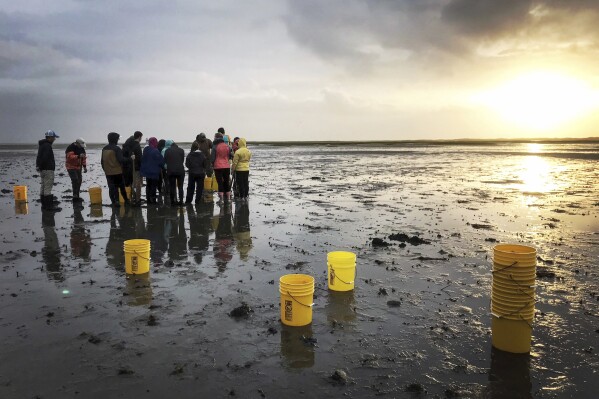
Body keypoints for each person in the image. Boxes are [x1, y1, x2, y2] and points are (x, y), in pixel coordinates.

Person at [101, 132, 129, 207]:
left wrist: (105, 170)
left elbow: (102, 161)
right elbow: (121, 159)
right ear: (115, 139)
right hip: (117, 172)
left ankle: (114, 202)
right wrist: (129, 159)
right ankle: (126, 200)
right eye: (118, 139)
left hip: (108, 172)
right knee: (121, 187)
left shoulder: (104, 148)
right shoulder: (117, 148)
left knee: (112, 188)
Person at [36, 130, 61, 212]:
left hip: (42, 169)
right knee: (47, 187)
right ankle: (49, 206)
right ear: (49, 137)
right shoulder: (47, 146)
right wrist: (43, 166)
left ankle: (44, 205)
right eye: (54, 137)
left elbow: (39, 157)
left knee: (43, 186)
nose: (54, 139)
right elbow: (45, 158)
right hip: (48, 169)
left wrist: (38, 166)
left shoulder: (42, 145)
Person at [140, 137, 165, 204]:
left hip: (147, 170)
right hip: (154, 171)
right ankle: (153, 199)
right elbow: (160, 161)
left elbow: (143, 159)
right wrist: (163, 166)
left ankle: (148, 199)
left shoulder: (145, 149)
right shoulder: (155, 150)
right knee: (153, 185)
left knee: (148, 185)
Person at [122, 131, 143, 205]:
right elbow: (140, 158)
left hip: (129, 167)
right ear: (139, 137)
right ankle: (137, 199)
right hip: (136, 167)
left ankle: (132, 196)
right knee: (138, 184)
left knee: (132, 183)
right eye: (141, 137)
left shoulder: (129, 145)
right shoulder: (137, 146)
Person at [211, 132, 233, 203]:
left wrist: (212, 164)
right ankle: (229, 198)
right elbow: (230, 155)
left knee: (220, 182)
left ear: (216, 138)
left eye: (214, 137)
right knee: (226, 181)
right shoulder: (227, 146)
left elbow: (212, 158)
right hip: (226, 166)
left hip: (218, 166)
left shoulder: (214, 146)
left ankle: (221, 199)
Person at [65, 138, 87, 202]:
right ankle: (75, 195)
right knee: (75, 180)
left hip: (78, 167)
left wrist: (84, 166)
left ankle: (77, 195)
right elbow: (69, 157)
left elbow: (84, 158)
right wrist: (78, 156)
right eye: (80, 145)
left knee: (79, 180)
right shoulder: (71, 148)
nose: (81, 146)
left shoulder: (82, 149)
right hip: (70, 167)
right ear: (77, 143)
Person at [164, 140, 185, 206]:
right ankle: (181, 201)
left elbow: (165, 160)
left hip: (171, 171)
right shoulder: (181, 150)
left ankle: (172, 201)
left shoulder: (167, 151)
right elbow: (182, 160)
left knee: (172, 187)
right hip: (180, 171)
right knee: (180, 187)